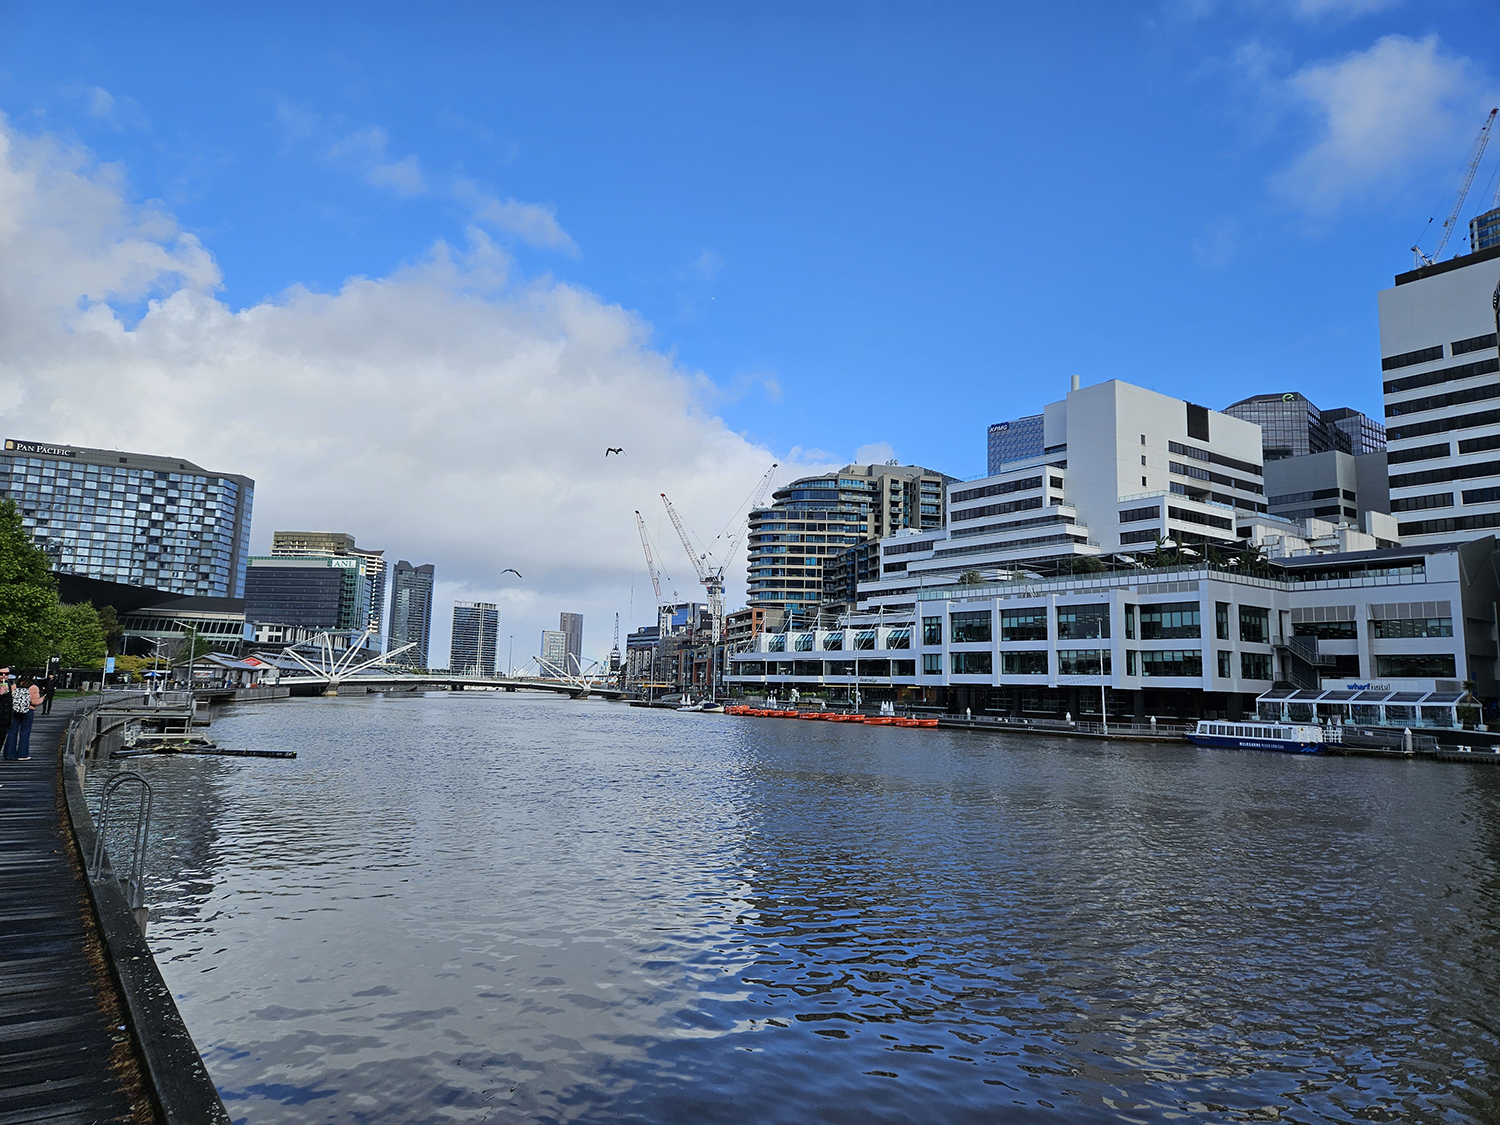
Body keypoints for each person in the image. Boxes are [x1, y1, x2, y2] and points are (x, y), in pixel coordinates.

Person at [3, 674, 39, 760]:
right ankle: (23, 754)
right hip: (28, 711)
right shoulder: (34, 688)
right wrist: (41, 699)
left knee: (12, 731)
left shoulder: (14, 686)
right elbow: (35, 702)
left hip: (15, 711)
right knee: (25, 732)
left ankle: (9, 754)